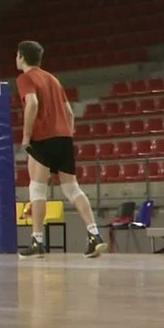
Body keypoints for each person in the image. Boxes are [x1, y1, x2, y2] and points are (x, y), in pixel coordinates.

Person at [16, 40, 105, 258]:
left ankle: (37, 241)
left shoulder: (25, 78)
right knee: (72, 189)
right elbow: (70, 112)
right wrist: (67, 134)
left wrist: (27, 135)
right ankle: (94, 234)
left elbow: (33, 104)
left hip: (43, 137)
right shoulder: (53, 79)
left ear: (21, 56)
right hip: (64, 137)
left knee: (37, 189)